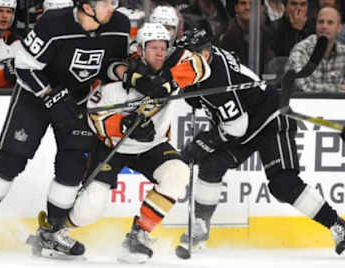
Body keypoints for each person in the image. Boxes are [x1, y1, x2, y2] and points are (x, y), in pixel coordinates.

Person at [0, 0, 130, 257]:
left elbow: (111, 65)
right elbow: (24, 67)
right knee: (11, 158)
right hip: (34, 97)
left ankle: (52, 231)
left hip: (77, 100)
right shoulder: (53, 24)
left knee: (73, 164)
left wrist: (126, 74)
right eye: (105, 1)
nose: (112, 6)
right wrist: (50, 95)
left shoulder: (119, 25)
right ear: (86, 6)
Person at [28, 22, 211, 263]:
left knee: (177, 172)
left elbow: (201, 65)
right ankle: (50, 233)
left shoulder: (172, 63)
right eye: (153, 47)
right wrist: (123, 125)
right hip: (112, 146)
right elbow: (95, 115)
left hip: (152, 145)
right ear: (140, 49)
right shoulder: (117, 78)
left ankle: (138, 236)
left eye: (163, 47)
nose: (159, 53)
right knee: (89, 209)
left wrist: (167, 80)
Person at [177, 28, 345, 260]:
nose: (188, 60)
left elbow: (236, 127)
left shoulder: (217, 77)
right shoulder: (201, 63)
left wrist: (206, 141)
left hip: (269, 119)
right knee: (211, 165)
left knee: (283, 183)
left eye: (195, 55)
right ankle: (200, 227)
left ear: (206, 54)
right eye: (185, 55)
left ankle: (342, 230)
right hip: (245, 122)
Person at [286, 6, 345, 92]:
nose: (324, 26)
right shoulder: (301, 50)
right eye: (321, 22)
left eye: (330, 23)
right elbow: (301, 85)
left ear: (339, 28)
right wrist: (338, 88)